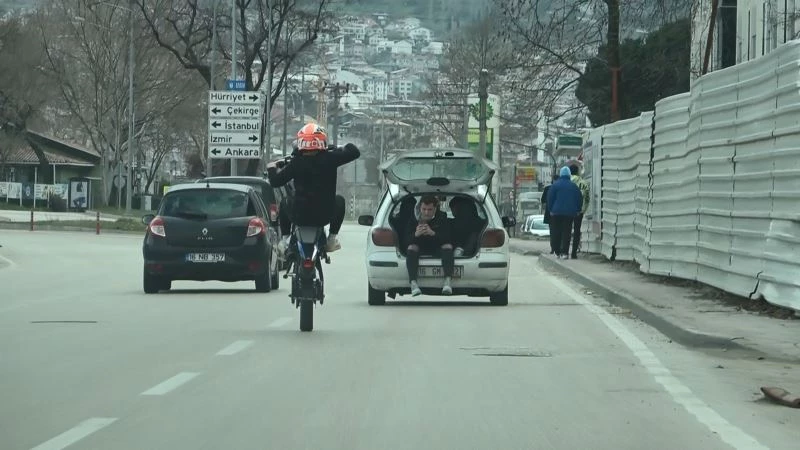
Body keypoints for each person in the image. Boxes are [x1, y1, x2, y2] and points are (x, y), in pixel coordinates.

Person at [266, 123, 360, 255]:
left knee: (284, 201)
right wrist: (337, 147)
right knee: (340, 200)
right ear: (322, 141)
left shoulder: (296, 163)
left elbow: (275, 181)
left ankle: (285, 240)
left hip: (299, 216)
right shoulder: (331, 158)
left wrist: (271, 168)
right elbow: (354, 151)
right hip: (324, 216)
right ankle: (332, 239)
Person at [404, 195, 454, 296]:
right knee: (411, 247)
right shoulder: (413, 219)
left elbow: (450, 238)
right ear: (420, 208)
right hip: (420, 248)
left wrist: (433, 233)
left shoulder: (442, 217)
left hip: (437, 247)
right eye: (424, 209)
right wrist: (416, 234)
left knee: (448, 246)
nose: (426, 212)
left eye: (430, 209)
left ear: (435, 209)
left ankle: (447, 282)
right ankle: (413, 283)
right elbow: (405, 241)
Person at [547, 166, 583, 259]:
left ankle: (557, 251)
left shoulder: (555, 186)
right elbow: (579, 198)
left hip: (556, 213)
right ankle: (565, 253)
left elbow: (550, 198)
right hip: (569, 213)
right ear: (569, 175)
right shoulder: (574, 186)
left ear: (561, 175)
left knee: (556, 231)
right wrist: (578, 210)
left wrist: (551, 209)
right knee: (567, 232)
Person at [569, 164, 590, 259]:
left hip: (567, 210)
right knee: (577, 231)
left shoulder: (567, 182)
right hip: (579, 211)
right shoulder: (583, 183)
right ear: (577, 171)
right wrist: (583, 210)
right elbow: (587, 198)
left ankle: (564, 250)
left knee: (566, 230)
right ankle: (574, 252)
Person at [541, 173, 559, 254]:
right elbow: (543, 201)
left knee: (553, 231)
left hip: (550, 213)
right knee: (556, 231)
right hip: (557, 213)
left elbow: (543, 201)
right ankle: (555, 248)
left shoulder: (548, 188)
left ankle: (554, 248)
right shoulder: (549, 188)